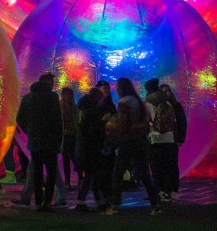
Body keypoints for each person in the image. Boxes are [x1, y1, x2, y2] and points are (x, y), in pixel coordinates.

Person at [107, 78, 161, 216]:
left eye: (118, 87)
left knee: (117, 173)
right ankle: (156, 204)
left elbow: (123, 124)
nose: (117, 89)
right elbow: (146, 121)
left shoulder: (123, 103)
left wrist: (109, 125)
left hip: (127, 142)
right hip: (140, 141)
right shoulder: (138, 101)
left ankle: (114, 204)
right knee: (144, 173)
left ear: (122, 88)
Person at [15, 72, 62, 212]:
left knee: (37, 171)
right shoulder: (52, 97)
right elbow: (57, 120)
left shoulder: (28, 97)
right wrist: (58, 139)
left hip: (34, 140)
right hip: (50, 141)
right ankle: (47, 202)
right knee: (51, 170)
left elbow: (19, 118)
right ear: (48, 84)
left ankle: (38, 201)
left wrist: (30, 130)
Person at [74, 80, 114, 211]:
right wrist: (104, 122)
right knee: (92, 176)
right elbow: (93, 131)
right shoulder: (92, 112)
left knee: (92, 176)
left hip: (84, 148)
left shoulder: (83, 109)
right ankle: (85, 202)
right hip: (91, 149)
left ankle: (98, 202)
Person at [144, 79, 178, 203]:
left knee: (156, 167)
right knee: (167, 166)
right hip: (169, 138)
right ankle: (168, 191)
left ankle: (159, 191)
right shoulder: (167, 101)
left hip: (155, 138)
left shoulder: (148, 102)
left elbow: (147, 120)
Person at [161, 84, 188, 196]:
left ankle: (173, 187)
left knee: (172, 164)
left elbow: (182, 123)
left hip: (172, 140)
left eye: (167, 91)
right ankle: (165, 188)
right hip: (163, 140)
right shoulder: (160, 107)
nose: (166, 93)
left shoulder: (176, 106)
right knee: (164, 164)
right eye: (163, 91)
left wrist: (180, 139)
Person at [59, 86, 78, 190]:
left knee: (73, 159)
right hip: (67, 136)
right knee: (69, 159)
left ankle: (72, 182)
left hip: (70, 136)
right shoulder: (63, 106)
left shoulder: (73, 107)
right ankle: (68, 182)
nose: (68, 97)